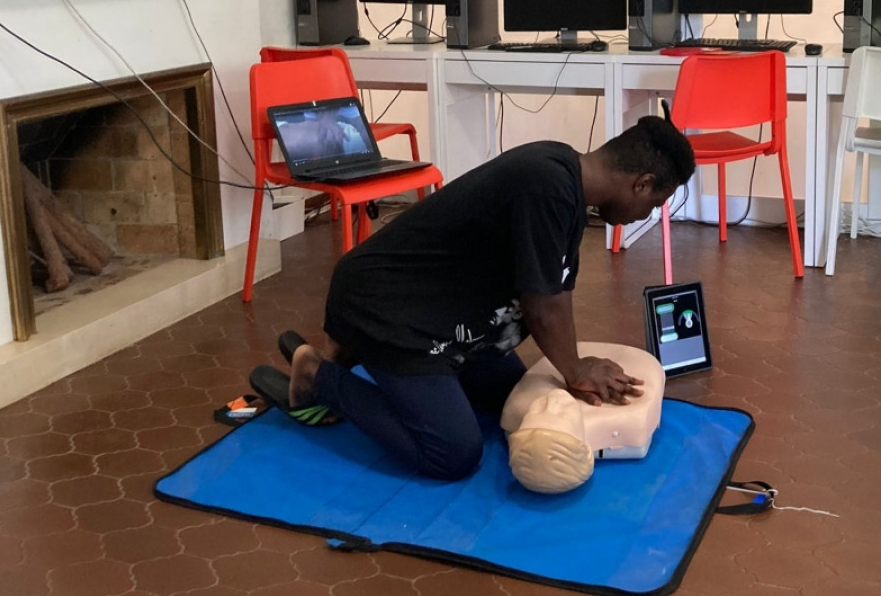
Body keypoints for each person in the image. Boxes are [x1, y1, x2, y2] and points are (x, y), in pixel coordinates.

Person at [274, 113, 695, 480]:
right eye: (658, 201)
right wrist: (577, 370)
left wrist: (572, 368)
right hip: (390, 309)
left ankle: (369, 360)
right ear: (643, 184)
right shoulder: (548, 187)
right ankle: (318, 373)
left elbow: (554, 291)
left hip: (447, 313)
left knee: (512, 402)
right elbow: (543, 309)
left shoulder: (567, 183)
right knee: (453, 453)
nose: (651, 213)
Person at [503, 342, 665, 494]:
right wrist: (576, 371)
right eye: (562, 414)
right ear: (586, 449)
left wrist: (574, 369)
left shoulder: (517, 408)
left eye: (536, 411)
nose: (553, 400)